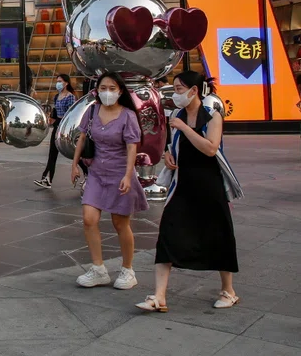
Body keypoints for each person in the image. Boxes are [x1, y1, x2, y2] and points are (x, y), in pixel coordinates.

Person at [137, 72, 239, 312]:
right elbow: (171, 144)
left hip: (209, 185)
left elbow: (211, 148)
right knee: (168, 233)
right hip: (182, 185)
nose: (176, 94)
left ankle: (229, 291)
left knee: (219, 235)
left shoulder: (211, 116)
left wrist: (184, 127)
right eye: (174, 89)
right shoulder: (176, 115)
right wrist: (168, 155)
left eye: (179, 89)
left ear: (194, 91)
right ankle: (159, 296)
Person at [70, 71, 149, 289]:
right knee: (89, 219)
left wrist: (128, 175)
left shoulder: (127, 116)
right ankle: (98, 269)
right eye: (103, 88)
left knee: (120, 223)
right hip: (96, 172)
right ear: (97, 90)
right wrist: (74, 164)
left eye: (112, 88)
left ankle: (127, 270)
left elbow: (132, 147)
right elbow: (82, 137)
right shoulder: (92, 111)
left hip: (119, 173)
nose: (107, 92)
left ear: (120, 91)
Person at [34, 74, 77, 189]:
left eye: (60, 81)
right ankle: (47, 178)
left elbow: (71, 113)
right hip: (57, 125)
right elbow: (55, 112)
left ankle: (87, 173)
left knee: (73, 152)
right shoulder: (57, 96)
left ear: (66, 83)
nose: (58, 83)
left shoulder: (70, 97)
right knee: (52, 154)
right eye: (57, 81)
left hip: (65, 127)